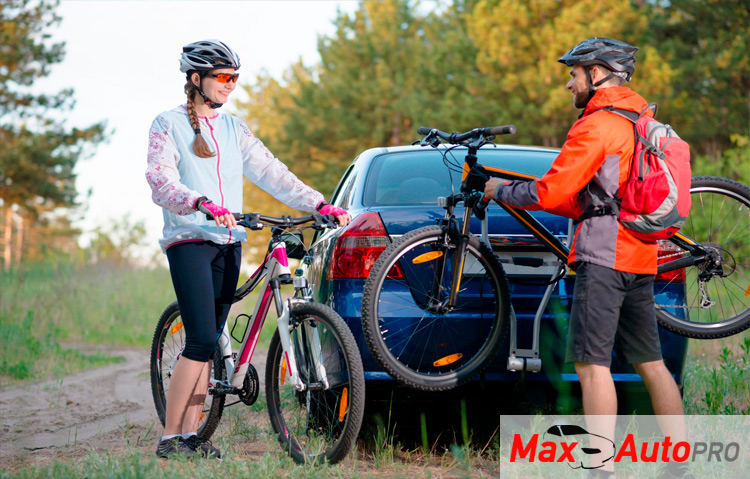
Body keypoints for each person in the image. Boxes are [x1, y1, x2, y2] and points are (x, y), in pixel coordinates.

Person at [484, 38, 688, 479]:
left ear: (597, 75)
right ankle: (680, 467)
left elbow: (553, 190)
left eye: (574, 74)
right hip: (640, 256)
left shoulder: (596, 125)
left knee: (592, 366)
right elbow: (585, 199)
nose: (568, 83)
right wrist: (537, 197)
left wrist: (503, 192)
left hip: (604, 257)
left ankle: (600, 470)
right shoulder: (638, 120)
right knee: (652, 364)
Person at [145, 39, 350, 459]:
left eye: (234, 77)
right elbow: (160, 181)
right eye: (223, 77)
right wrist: (202, 203)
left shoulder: (235, 128)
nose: (230, 85)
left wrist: (319, 204)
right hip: (190, 240)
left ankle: (192, 436)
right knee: (201, 339)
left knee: (209, 343)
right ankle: (170, 439)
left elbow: (274, 173)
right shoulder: (167, 125)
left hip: (229, 242)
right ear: (195, 78)